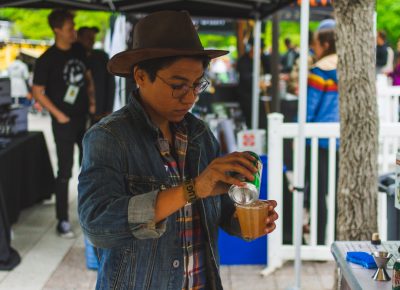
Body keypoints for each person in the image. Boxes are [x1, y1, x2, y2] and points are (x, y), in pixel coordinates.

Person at [78, 11, 278, 289]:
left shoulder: (201, 136)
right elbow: (97, 224)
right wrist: (193, 188)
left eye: (197, 84)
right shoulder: (109, 138)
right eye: (177, 85)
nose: (190, 96)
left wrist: (244, 218)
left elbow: (216, 212)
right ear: (141, 76)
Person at [32, 9, 96, 238]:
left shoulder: (79, 50)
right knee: (65, 171)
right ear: (57, 30)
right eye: (70, 28)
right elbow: (37, 92)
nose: (74, 32)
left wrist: (91, 101)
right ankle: (62, 220)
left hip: (83, 118)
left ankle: (89, 214)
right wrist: (59, 115)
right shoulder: (46, 59)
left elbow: (87, 76)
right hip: (64, 123)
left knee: (89, 167)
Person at [305, 28, 339, 245]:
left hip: (319, 142)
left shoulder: (319, 71)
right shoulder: (351, 68)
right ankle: (338, 240)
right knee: (338, 194)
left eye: (315, 44)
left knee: (318, 193)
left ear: (325, 45)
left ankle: (318, 240)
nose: (313, 48)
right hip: (343, 142)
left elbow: (309, 109)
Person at [76, 26, 115, 124]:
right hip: (78, 111)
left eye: (93, 37)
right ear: (79, 37)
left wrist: (108, 108)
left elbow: (111, 83)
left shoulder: (101, 56)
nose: (91, 40)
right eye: (88, 37)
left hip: (99, 110)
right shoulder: (73, 57)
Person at [236, 39, 269, 129]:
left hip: (258, 97)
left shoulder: (261, 59)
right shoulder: (243, 61)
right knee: (250, 120)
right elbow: (245, 78)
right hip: (247, 97)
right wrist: (258, 83)